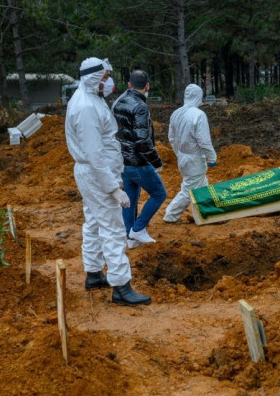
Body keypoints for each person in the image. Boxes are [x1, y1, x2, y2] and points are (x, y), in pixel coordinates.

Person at [65, 57, 151, 306]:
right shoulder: (86, 107)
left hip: (93, 173)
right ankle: (121, 286)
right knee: (113, 228)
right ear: (93, 78)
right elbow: (94, 154)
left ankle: (93, 274)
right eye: (105, 77)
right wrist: (113, 189)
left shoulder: (91, 99)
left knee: (93, 222)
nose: (108, 82)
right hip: (96, 174)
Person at [112, 70, 166, 248]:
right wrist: (156, 161)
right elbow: (142, 140)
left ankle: (130, 237)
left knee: (131, 200)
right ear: (147, 86)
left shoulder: (119, 102)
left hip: (123, 161)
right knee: (159, 193)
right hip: (138, 162)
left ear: (129, 85)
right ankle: (138, 229)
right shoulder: (141, 107)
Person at [163, 84, 218, 223]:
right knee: (189, 189)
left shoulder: (176, 113)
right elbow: (204, 141)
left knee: (202, 185)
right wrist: (212, 157)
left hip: (182, 156)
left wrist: (179, 153)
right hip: (194, 158)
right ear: (198, 96)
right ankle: (170, 215)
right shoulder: (198, 115)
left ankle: (206, 213)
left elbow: (172, 137)